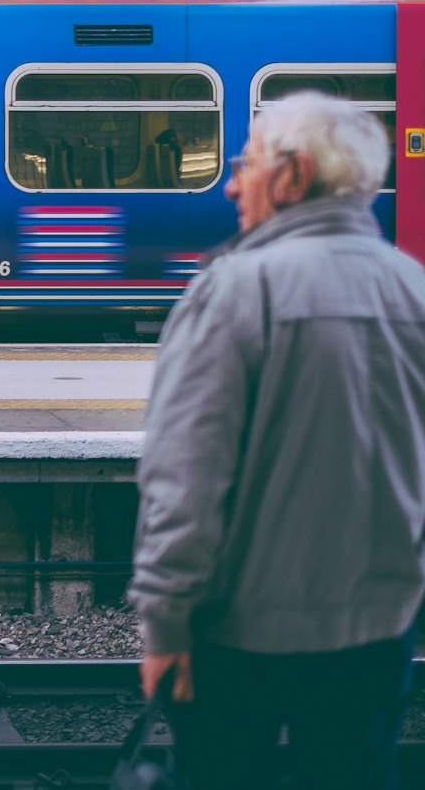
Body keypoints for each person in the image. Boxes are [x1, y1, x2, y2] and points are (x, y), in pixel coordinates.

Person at [130, 92, 425, 789]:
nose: (231, 184)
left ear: (293, 175)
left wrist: (166, 624)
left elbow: (184, 480)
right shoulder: (414, 290)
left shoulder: (234, 292)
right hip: (377, 637)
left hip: (239, 639)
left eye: (246, 164)